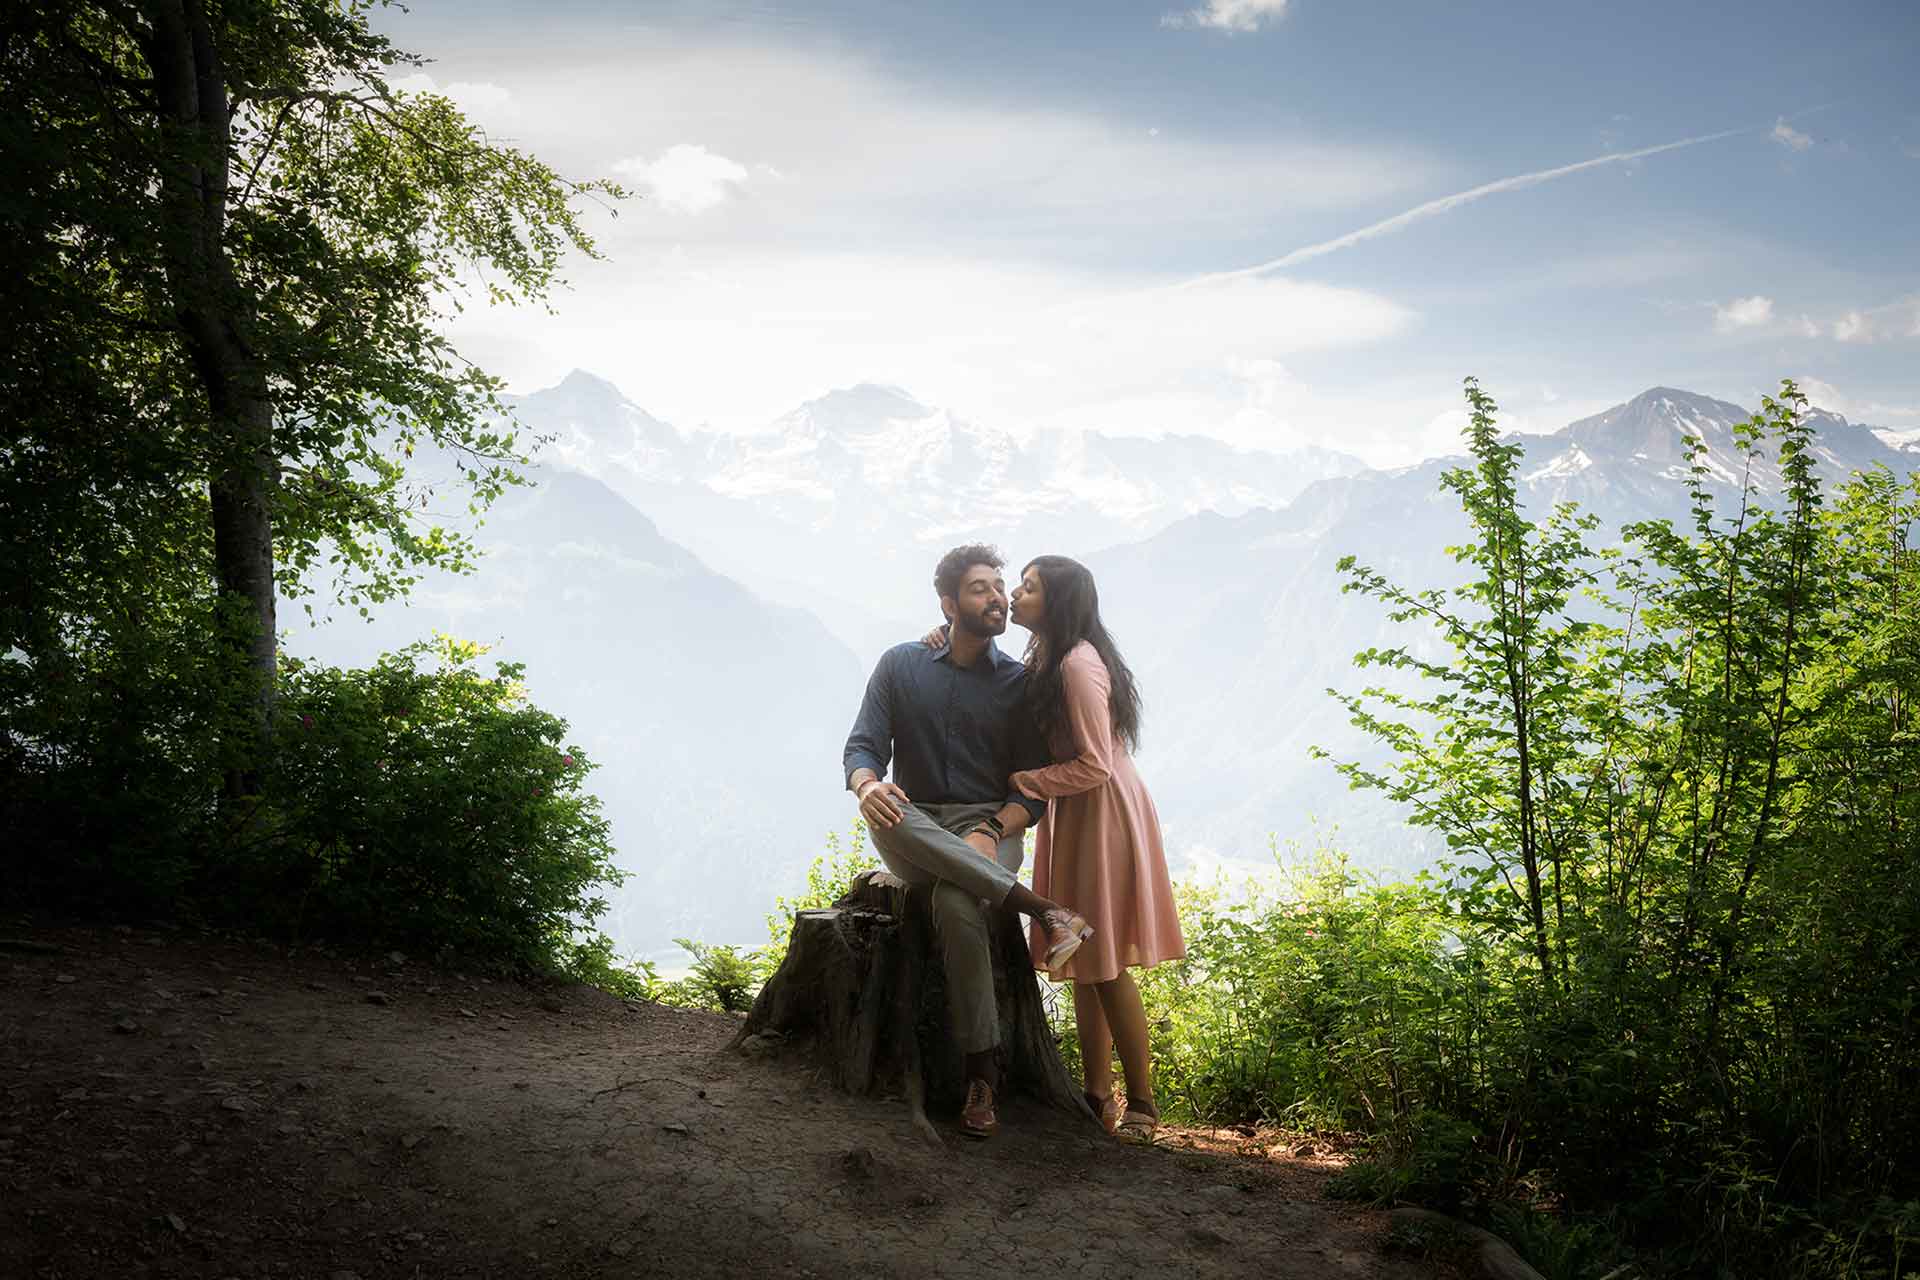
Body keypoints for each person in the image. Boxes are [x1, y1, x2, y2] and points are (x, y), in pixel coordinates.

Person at [843, 544, 1094, 1141]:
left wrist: (990, 829)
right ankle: (1045, 912)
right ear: (949, 603)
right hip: (911, 823)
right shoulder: (900, 665)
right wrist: (867, 784)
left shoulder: (1019, 684)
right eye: (982, 588)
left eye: (1002, 589)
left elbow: (1030, 793)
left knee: (959, 903)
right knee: (894, 811)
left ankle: (982, 1076)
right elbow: (862, 745)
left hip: (988, 829)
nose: (999, 598)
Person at [935, 555, 1183, 1140]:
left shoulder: (1076, 664)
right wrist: (942, 636)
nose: (1014, 595)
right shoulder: (1048, 656)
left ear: (1058, 602)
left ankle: (1143, 1103)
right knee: (1083, 955)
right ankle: (1097, 1096)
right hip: (1078, 813)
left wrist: (1031, 783)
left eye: (1029, 587)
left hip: (1103, 812)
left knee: (1106, 961)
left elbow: (1096, 763)